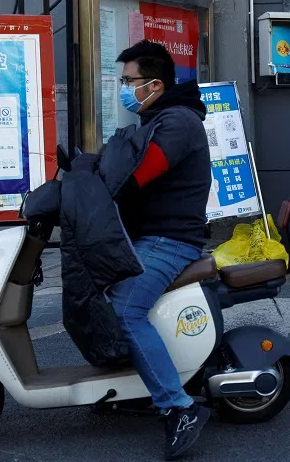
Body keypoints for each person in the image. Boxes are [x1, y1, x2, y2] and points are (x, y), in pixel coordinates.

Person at [107, 40, 212, 459]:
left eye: (127, 81)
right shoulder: (154, 118)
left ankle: (178, 406)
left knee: (125, 309)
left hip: (170, 239)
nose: (122, 88)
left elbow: (138, 174)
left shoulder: (177, 122)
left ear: (154, 84)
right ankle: (139, 382)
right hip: (148, 234)